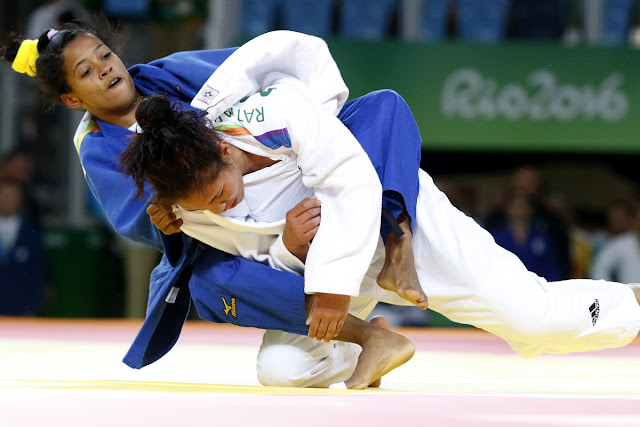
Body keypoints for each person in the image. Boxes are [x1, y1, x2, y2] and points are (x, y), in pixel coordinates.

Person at [122, 63, 640, 389]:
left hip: (390, 224)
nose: (223, 206)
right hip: (328, 267)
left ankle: (631, 303)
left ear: (222, 147)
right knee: (282, 372)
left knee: (534, 319)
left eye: (220, 191)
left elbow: (355, 185)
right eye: (207, 206)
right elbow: (251, 260)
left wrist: (330, 289)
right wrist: (288, 248)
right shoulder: (191, 209)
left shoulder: (273, 111)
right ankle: (375, 338)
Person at [1, 15, 425, 387]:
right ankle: (367, 336)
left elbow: (256, 68)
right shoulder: (94, 144)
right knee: (209, 282)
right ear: (73, 99)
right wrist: (160, 218)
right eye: (86, 71)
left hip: (282, 177)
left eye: (104, 56)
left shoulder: (165, 73)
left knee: (382, 109)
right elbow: (134, 215)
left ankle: (398, 241)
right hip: (224, 230)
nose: (106, 69)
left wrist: (299, 124)